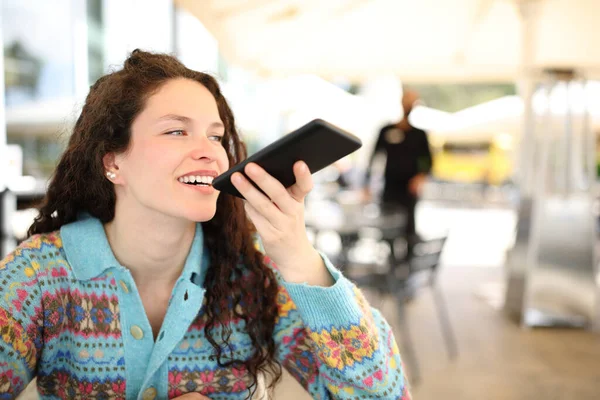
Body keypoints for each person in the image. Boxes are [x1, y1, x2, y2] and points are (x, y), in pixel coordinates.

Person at [0, 50, 410, 400]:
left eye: (216, 137)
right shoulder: (38, 276)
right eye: (177, 131)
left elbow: (383, 393)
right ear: (113, 161)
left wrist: (301, 260)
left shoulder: (252, 271)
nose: (209, 153)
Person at [364, 90, 432, 240]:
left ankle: (407, 258)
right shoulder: (387, 130)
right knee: (388, 225)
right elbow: (374, 157)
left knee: (408, 226)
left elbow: (429, 160)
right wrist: (366, 183)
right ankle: (391, 257)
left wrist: (420, 177)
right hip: (389, 185)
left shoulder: (419, 134)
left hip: (409, 189)